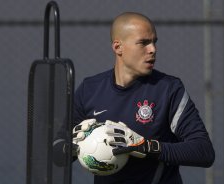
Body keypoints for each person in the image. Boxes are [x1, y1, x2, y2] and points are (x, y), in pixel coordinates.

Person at [72, 12, 215, 184]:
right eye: (143, 43)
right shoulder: (90, 89)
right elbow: (54, 150)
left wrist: (147, 147)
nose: (152, 49)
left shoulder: (168, 89)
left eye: (154, 42)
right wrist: (71, 145)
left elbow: (203, 151)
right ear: (118, 47)